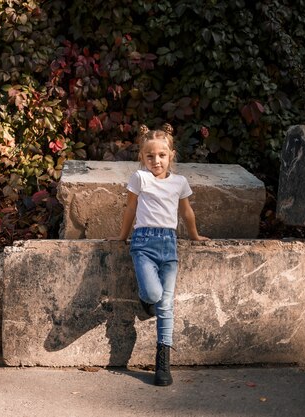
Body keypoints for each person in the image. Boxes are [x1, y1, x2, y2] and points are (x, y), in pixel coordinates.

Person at [110, 123, 209, 386]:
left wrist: (195, 235)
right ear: (142, 157)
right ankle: (146, 301)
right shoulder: (140, 179)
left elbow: (186, 212)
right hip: (143, 244)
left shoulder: (179, 182)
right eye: (150, 156)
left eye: (162, 155)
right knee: (154, 295)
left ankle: (162, 362)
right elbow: (130, 209)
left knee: (166, 306)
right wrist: (122, 237)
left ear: (171, 155)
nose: (156, 161)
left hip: (169, 244)